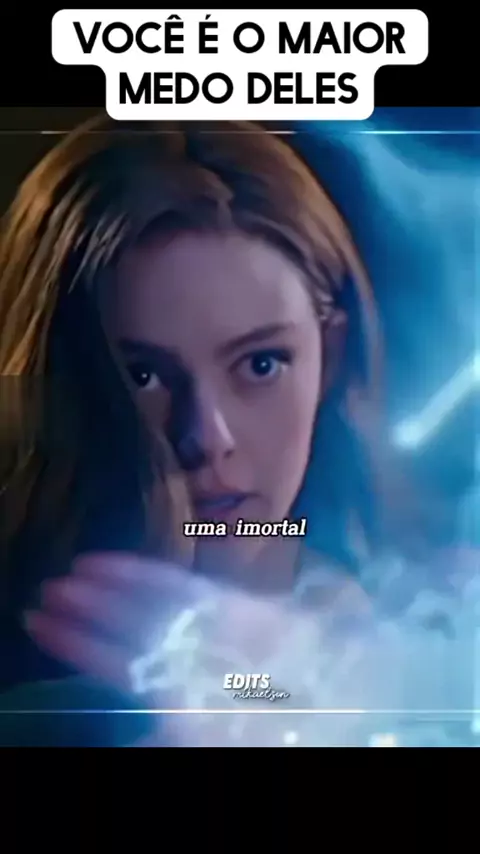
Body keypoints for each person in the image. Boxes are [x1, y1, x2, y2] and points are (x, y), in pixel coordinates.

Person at [0, 117, 441, 746]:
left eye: (261, 364)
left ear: (330, 356)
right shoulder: (39, 704)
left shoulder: (429, 624)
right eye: (143, 375)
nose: (208, 437)